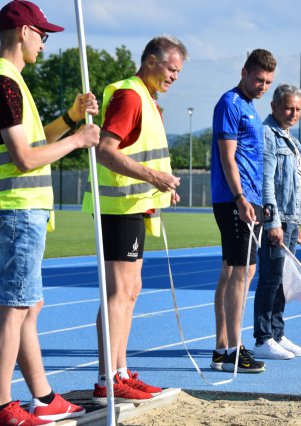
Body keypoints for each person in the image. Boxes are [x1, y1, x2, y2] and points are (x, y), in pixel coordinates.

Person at [0, 1, 100, 423]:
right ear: (22, 32)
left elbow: (36, 142)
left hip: (26, 213)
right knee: (14, 307)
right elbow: (25, 158)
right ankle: (4, 404)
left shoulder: (13, 83)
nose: (45, 41)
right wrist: (79, 141)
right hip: (17, 211)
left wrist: (72, 120)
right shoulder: (4, 81)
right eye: (41, 33)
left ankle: (41, 395)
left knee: (29, 305)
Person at [81, 35, 187, 405]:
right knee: (118, 294)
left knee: (130, 291)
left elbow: (142, 153)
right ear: (152, 61)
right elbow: (106, 152)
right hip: (118, 208)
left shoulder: (148, 99)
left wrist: (162, 185)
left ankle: (120, 371)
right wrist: (152, 178)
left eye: (179, 71)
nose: (175, 76)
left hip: (135, 207)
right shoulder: (130, 95)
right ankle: (107, 377)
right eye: (172, 69)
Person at [209, 49, 276, 374]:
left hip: (246, 200)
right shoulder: (230, 104)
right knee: (241, 273)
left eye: (268, 82)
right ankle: (234, 349)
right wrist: (239, 198)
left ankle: (222, 349)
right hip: (235, 201)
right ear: (245, 72)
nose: (263, 86)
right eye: (259, 79)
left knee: (233, 271)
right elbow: (227, 156)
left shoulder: (248, 106)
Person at [252, 84, 301, 360]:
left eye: (298, 109)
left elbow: (296, 182)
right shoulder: (268, 135)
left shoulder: (291, 139)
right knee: (271, 277)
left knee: (283, 279)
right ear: (274, 106)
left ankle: (277, 333)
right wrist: (272, 221)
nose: (293, 113)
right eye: (289, 107)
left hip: (290, 220)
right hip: (276, 221)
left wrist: (296, 223)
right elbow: (266, 182)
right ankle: (263, 338)